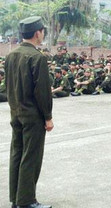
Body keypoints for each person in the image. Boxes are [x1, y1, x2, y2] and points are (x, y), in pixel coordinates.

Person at [5, 16, 53, 208]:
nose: (42, 35)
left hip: (16, 112)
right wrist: (48, 117)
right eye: (42, 32)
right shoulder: (37, 57)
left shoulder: (11, 56)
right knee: (30, 157)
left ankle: (15, 199)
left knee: (17, 153)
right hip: (33, 115)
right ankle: (26, 201)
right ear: (37, 33)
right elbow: (41, 91)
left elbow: (8, 86)